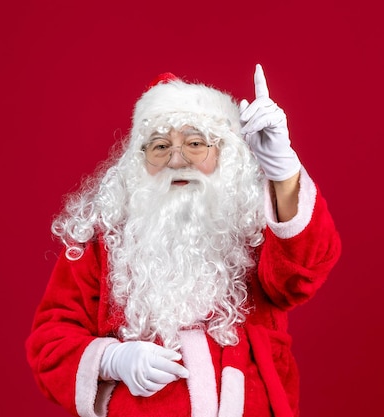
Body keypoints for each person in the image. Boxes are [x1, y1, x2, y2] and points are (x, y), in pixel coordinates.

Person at [25, 65, 341, 417]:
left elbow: (300, 277)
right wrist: (111, 359)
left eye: (194, 143)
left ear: (224, 154)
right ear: (139, 160)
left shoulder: (250, 222)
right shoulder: (108, 236)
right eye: (160, 146)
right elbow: (49, 340)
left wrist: (284, 173)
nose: (176, 159)